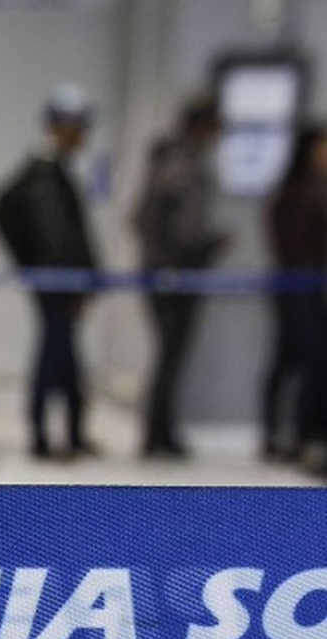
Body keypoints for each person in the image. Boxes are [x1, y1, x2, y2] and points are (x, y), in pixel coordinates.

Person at [0, 84, 100, 459]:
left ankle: (72, 434)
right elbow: (55, 238)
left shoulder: (58, 172)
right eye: (77, 126)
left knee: (68, 362)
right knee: (52, 359)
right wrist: (33, 266)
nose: (82, 135)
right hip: (57, 286)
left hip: (63, 283)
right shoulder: (42, 176)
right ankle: (41, 437)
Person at [134, 97, 228, 458]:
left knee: (172, 357)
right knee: (170, 355)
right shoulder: (180, 164)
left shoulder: (172, 160)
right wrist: (192, 252)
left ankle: (162, 431)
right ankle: (156, 433)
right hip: (173, 273)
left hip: (173, 269)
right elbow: (158, 221)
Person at [261, 124, 327, 462]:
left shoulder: (314, 189)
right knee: (302, 360)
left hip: (309, 286)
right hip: (296, 286)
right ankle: (293, 433)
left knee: (299, 360)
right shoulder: (294, 194)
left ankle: (298, 433)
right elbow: (294, 244)